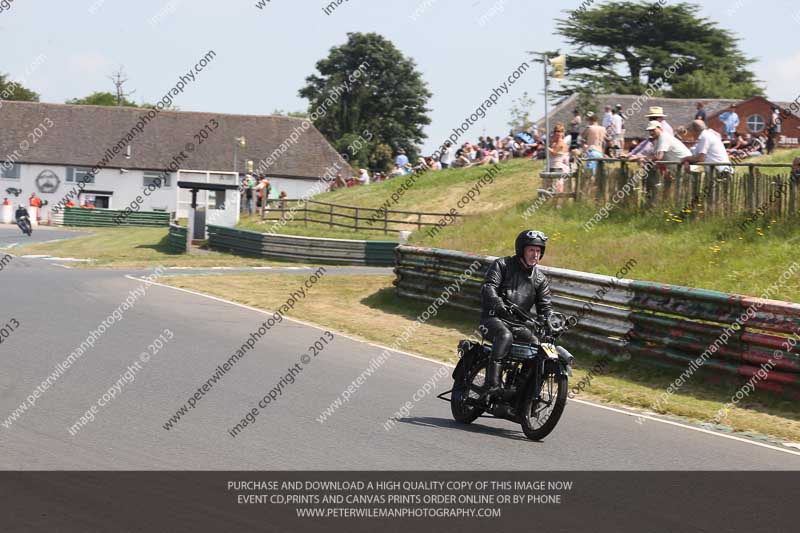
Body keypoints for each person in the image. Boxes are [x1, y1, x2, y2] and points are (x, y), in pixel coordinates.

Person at [479, 230, 553, 402]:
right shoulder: (502, 264)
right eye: (531, 250)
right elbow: (489, 287)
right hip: (492, 319)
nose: (535, 255)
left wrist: (550, 321)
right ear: (521, 250)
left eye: (538, 251)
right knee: (505, 336)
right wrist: (498, 304)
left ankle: (517, 389)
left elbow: (545, 306)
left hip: (518, 324)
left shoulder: (540, 279)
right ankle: (492, 386)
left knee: (536, 345)